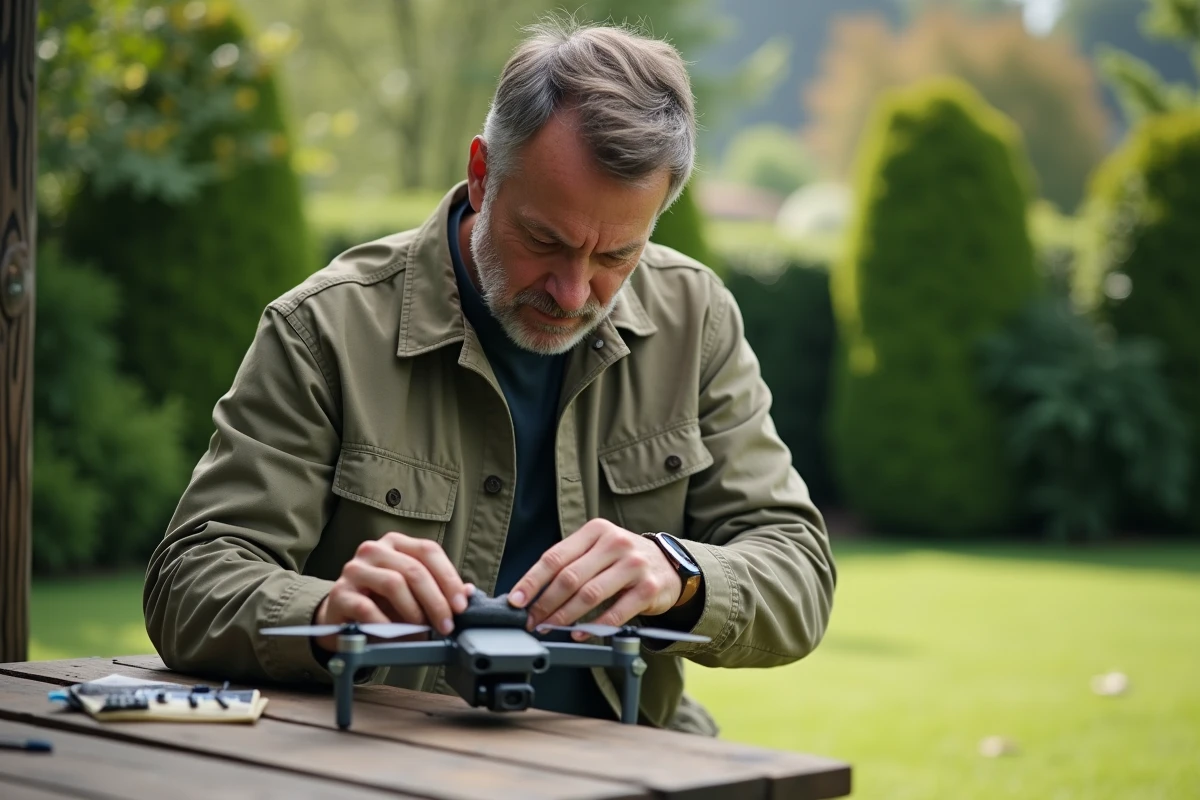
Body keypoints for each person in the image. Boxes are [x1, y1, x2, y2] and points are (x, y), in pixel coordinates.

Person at [143, 17, 836, 735]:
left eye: (616, 258)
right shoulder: (325, 329)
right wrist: (324, 617)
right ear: (481, 174)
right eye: (545, 240)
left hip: (632, 758)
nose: (572, 294)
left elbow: (799, 572)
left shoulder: (699, 318)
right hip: (382, 764)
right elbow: (190, 581)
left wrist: (680, 572)